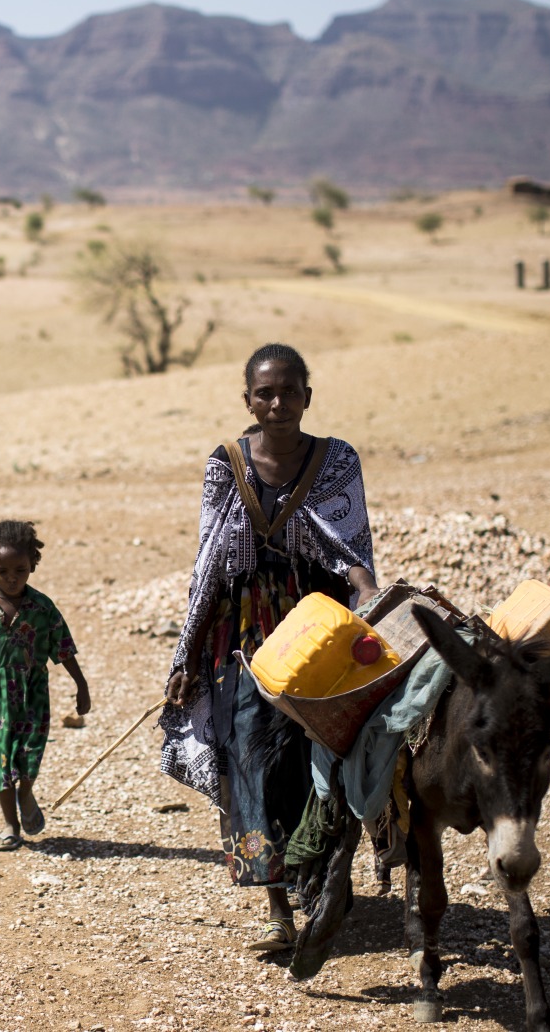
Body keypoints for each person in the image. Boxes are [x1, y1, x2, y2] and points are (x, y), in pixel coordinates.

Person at [158, 343, 378, 952]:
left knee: (326, 748)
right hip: (245, 635)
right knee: (250, 755)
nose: (278, 403)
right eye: (265, 393)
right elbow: (208, 563)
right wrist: (186, 656)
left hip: (319, 621)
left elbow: (353, 551)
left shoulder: (337, 460)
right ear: (247, 400)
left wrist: (373, 604)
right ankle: (276, 904)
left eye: (289, 391)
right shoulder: (225, 463)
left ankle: (320, 873)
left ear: (309, 396)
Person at [0, 519, 92, 851]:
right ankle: (10, 825)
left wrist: (81, 686)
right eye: (3, 570)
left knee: (29, 755)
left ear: (32, 566)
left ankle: (26, 792)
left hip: (31, 697)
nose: (12, 578)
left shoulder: (42, 609)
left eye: (20, 570)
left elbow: (63, 649)